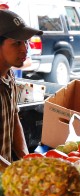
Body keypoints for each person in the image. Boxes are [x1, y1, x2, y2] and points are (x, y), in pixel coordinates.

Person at [0, 9, 42, 166]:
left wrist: (26, 159)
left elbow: (14, 117)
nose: (24, 49)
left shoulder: (9, 74)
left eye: (25, 42)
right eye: (17, 43)